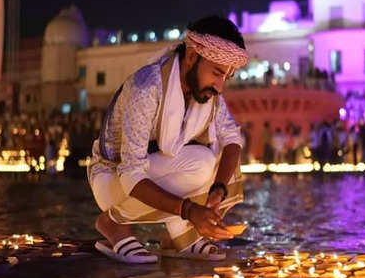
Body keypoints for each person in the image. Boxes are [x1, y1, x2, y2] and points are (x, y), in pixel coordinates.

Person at [87, 15, 248, 264]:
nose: (220, 87)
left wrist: (218, 190)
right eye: (217, 73)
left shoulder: (205, 92)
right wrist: (191, 210)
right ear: (193, 56)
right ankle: (113, 224)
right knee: (197, 165)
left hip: (152, 171)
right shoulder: (147, 87)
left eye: (226, 77)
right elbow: (130, 174)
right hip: (112, 179)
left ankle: (178, 236)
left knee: (209, 162)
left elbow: (232, 138)